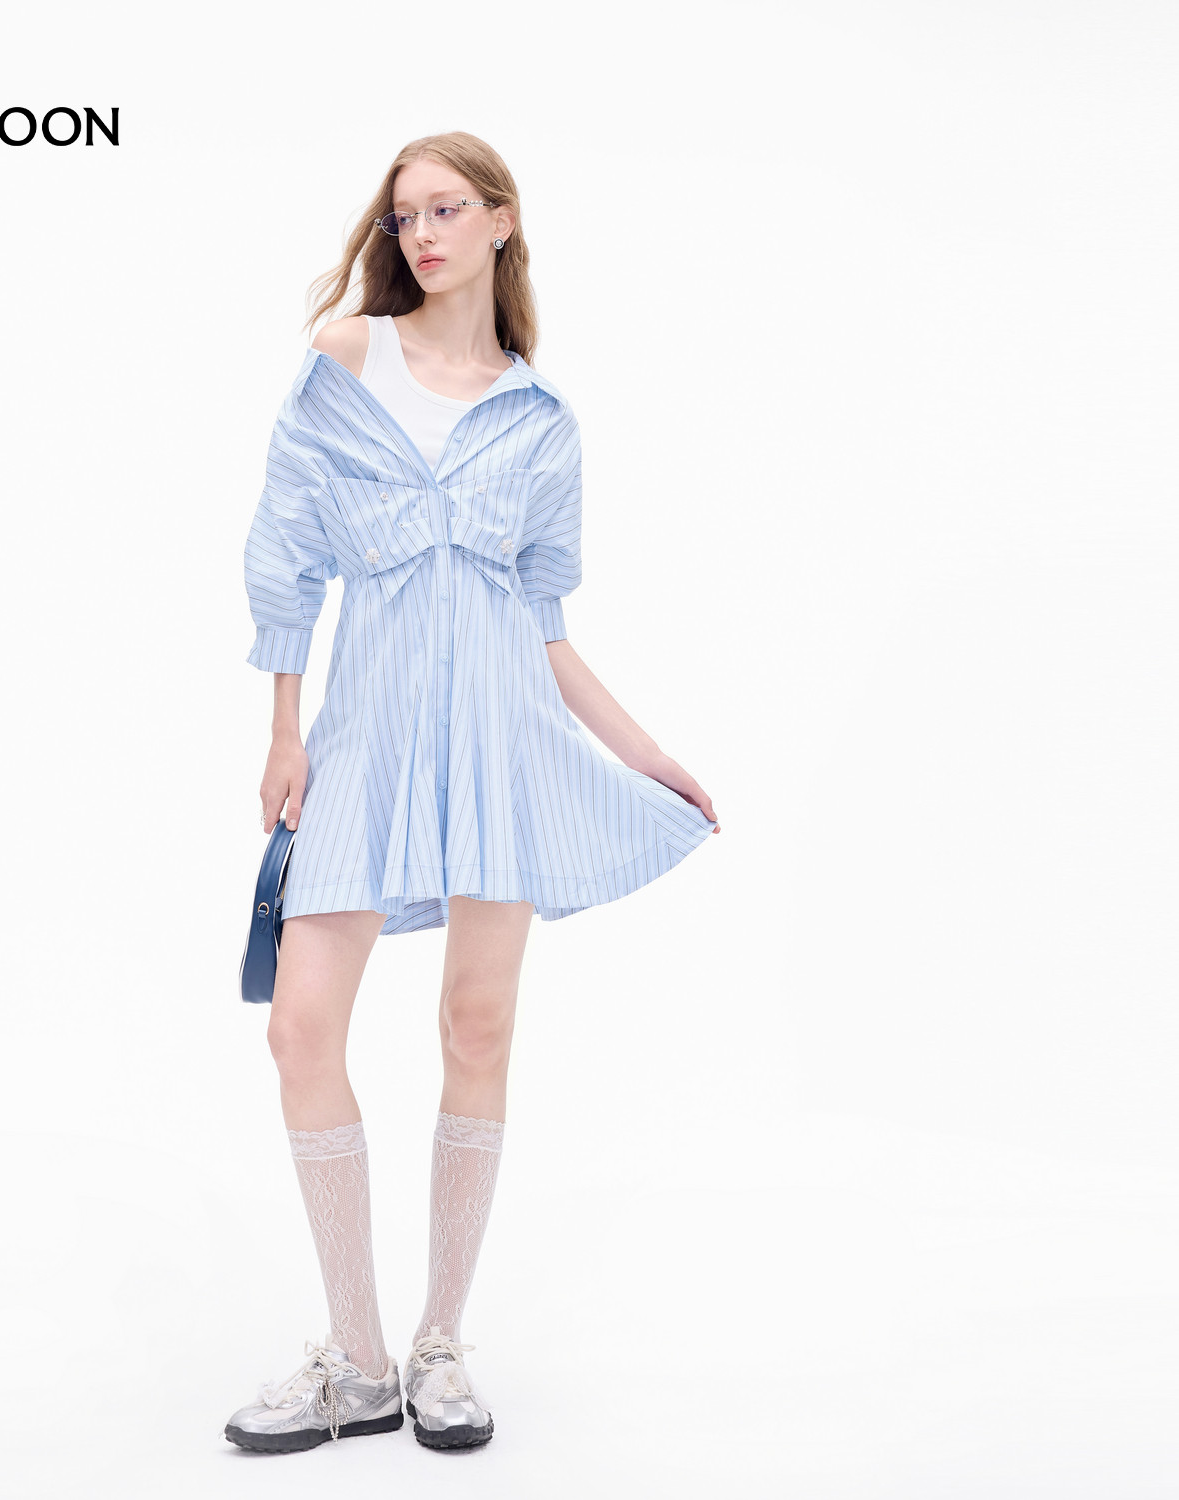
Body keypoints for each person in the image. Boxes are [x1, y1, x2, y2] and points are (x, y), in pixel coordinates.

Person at [223, 131, 721, 1455]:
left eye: (447, 209)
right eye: (406, 217)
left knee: (479, 1023)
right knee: (300, 1028)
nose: (423, 235)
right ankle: (358, 1358)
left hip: (504, 743)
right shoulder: (345, 359)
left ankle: (440, 1343)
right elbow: (285, 554)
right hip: (367, 738)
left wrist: (649, 757)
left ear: (502, 220)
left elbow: (544, 628)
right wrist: (283, 727)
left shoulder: (542, 422)